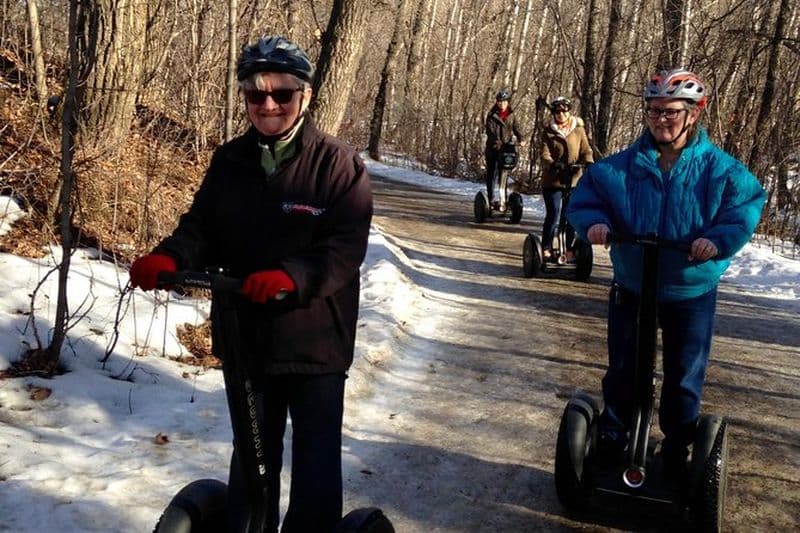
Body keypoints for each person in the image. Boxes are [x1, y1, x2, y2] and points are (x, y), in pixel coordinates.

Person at [129, 36, 373, 532]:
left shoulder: (338, 166)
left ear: (304, 96)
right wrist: (168, 257)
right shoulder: (230, 161)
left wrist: (292, 277)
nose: (268, 105)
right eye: (255, 95)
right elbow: (201, 227)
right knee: (252, 455)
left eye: (281, 94)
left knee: (315, 461)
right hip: (247, 339)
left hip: (315, 344)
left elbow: (344, 249)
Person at [566, 69, 766, 479]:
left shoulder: (720, 169)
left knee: (684, 373)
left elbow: (744, 208)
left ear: (694, 114)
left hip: (690, 288)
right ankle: (615, 434)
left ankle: (677, 445)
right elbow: (586, 199)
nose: (661, 119)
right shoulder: (621, 167)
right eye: (654, 111)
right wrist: (595, 224)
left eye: (671, 112)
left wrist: (717, 239)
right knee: (623, 365)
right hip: (634, 283)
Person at [540, 96, 593, 261]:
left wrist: (588, 162)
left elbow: (586, 150)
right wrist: (552, 164)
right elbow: (544, 154)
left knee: (570, 215)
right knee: (554, 213)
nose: (561, 115)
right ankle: (547, 246)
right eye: (557, 112)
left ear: (569, 111)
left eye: (564, 111)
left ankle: (569, 249)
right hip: (553, 180)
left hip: (574, 180)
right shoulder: (548, 131)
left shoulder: (578, 129)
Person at [484, 90, 525, 211]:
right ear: (496, 102)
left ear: (507, 102)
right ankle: (491, 199)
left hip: (507, 149)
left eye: (504, 101)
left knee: (504, 174)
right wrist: (497, 141)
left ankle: (504, 200)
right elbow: (489, 131)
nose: (501, 104)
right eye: (499, 101)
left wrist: (522, 139)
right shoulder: (491, 114)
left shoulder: (511, 115)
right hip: (493, 148)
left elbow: (517, 128)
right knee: (492, 174)